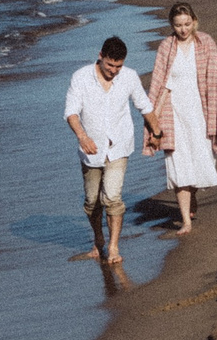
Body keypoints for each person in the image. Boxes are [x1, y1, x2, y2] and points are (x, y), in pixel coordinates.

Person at [145, 2, 217, 233]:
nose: (183, 29)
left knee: (202, 162)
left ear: (194, 21)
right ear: (172, 25)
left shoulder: (206, 42)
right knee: (178, 166)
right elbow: (160, 88)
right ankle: (186, 221)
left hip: (201, 114)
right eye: (178, 25)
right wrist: (154, 123)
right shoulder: (166, 47)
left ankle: (193, 196)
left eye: (187, 24)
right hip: (174, 114)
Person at [64, 34, 158, 264]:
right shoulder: (81, 77)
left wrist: (156, 133)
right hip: (91, 149)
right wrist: (83, 137)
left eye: (118, 66)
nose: (114, 70)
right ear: (100, 56)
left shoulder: (129, 77)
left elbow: (144, 106)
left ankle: (114, 247)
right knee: (91, 202)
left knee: (113, 197)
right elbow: (71, 113)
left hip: (119, 145)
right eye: (110, 65)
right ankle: (99, 241)